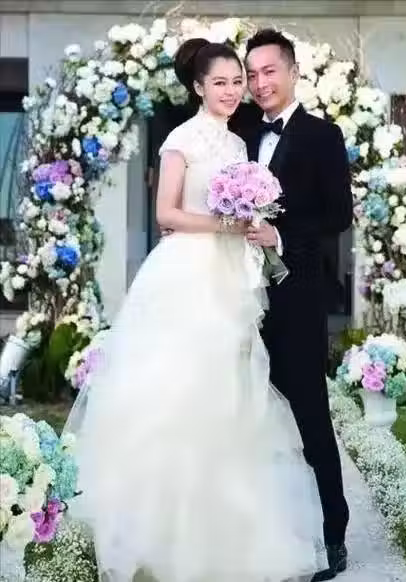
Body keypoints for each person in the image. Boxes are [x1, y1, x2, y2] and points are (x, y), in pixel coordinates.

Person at [64, 38, 326, 582]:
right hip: (188, 275)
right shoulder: (180, 139)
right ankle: (162, 532)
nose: (232, 91)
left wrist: (252, 221)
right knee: (181, 391)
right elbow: (167, 213)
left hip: (233, 276)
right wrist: (225, 224)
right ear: (198, 87)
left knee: (232, 396)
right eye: (220, 83)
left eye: (237, 82)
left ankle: (226, 530)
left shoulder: (240, 144)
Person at [237, 29, 354, 581]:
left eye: (269, 71)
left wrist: (280, 236)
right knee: (247, 418)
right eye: (252, 74)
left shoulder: (322, 136)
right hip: (239, 301)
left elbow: (338, 217)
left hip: (297, 300)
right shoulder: (239, 133)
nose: (260, 83)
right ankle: (260, 533)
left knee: (310, 417)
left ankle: (335, 535)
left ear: (292, 71)